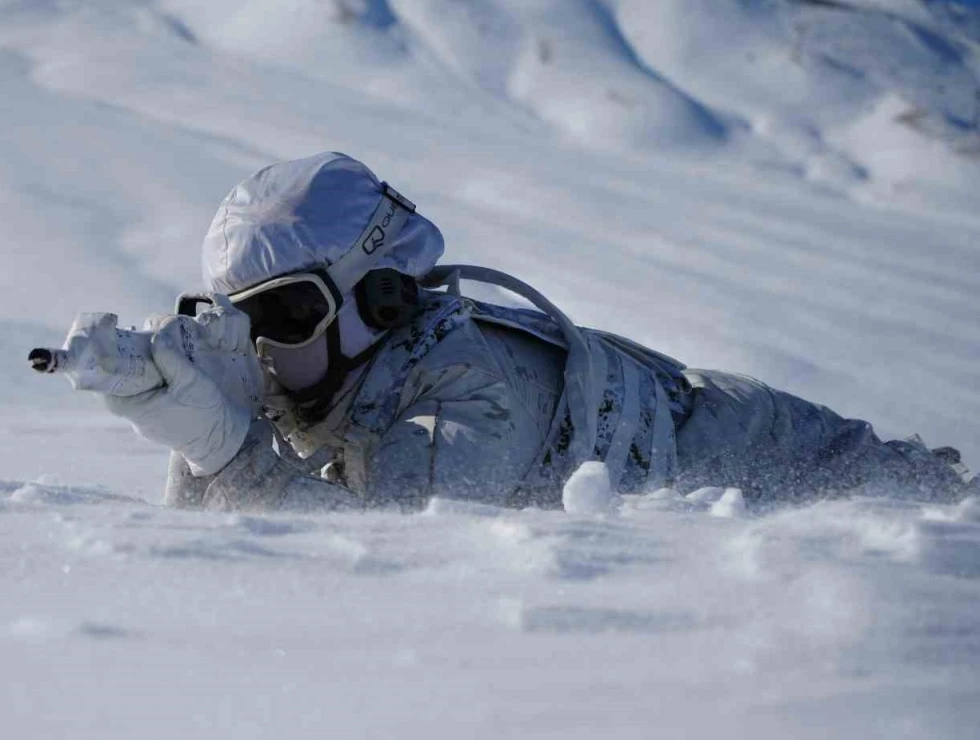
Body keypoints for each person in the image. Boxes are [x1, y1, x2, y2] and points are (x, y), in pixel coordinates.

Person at [96, 152, 974, 513]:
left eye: (285, 314)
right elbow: (214, 555)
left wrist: (229, 453)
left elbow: (373, 555)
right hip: (713, 417)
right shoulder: (355, 373)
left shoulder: (476, 386)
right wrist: (195, 426)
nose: (262, 347)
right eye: (237, 321)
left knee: (934, 502)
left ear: (382, 298)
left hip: (772, 448)